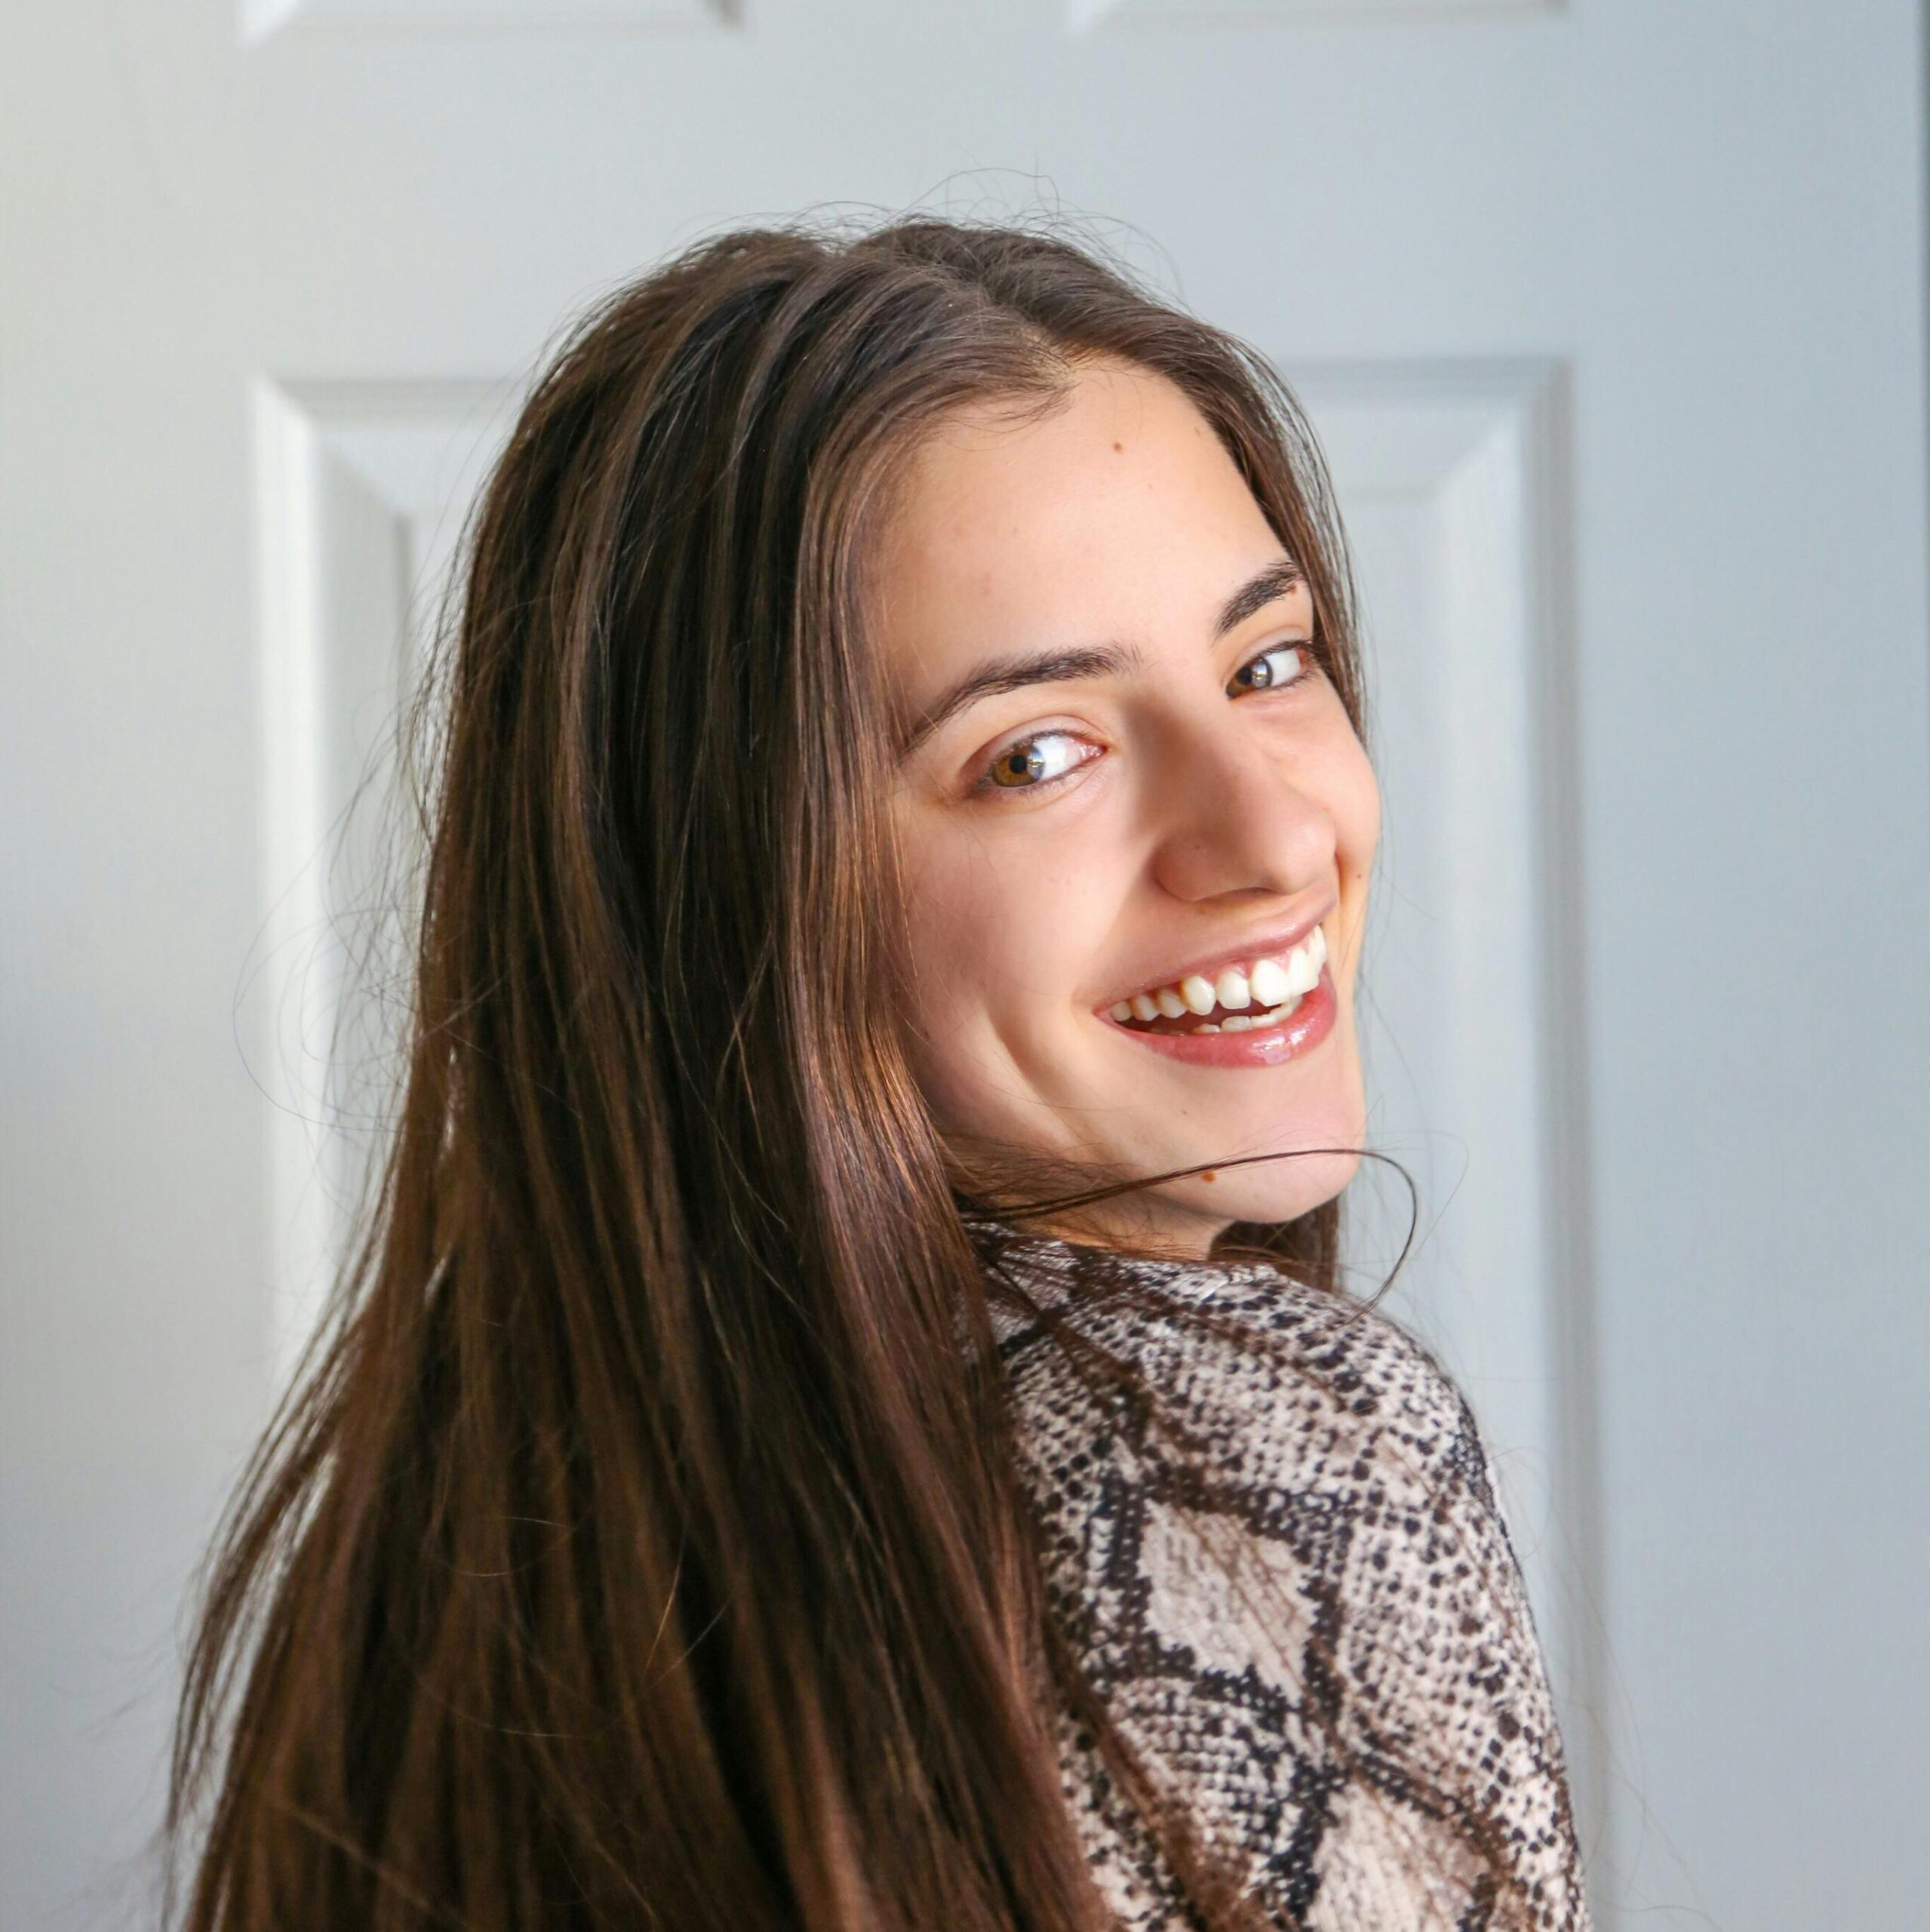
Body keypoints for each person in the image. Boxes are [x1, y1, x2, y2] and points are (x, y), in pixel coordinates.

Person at [167, 214, 1590, 1931]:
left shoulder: (448, 1569)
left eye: (1266, 661)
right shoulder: (1257, 1457)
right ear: (738, 897)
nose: (1275, 831)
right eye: (1037, 752)